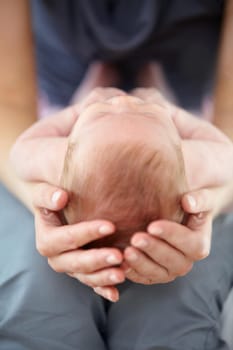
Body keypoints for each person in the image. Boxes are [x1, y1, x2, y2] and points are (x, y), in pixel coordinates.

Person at [1, 1, 233, 349]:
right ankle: (151, 92)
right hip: (164, 117)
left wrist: (83, 115)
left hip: (79, 115)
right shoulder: (198, 155)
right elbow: (224, 154)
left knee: (170, 312)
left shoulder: (50, 148)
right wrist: (168, 116)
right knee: (40, 294)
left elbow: (21, 152)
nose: (123, 100)